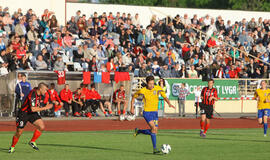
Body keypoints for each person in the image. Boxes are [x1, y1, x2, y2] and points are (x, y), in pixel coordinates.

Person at [130, 76, 175, 154]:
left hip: (155, 113)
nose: (151, 85)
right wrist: (132, 108)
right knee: (153, 128)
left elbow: (164, 96)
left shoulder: (157, 88)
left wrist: (169, 103)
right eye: (150, 84)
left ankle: (139, 131)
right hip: (147, 113)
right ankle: (155, 149)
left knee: (154, 131)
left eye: (152, 83)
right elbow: (133, 97)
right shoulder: (142, 90)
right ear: (147, 83)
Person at [8, 83, 53, 153]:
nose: (45, 92)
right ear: (40, 89)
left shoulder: (40, 94)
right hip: (23, 114)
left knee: (41, 127)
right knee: (19, 132)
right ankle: (12, 147)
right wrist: (46, 107)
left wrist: (49, 103)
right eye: (45, 90)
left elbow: (42, 102)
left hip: (32, 114)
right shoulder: (33, 94)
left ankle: (32, 141)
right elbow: (33, 109)